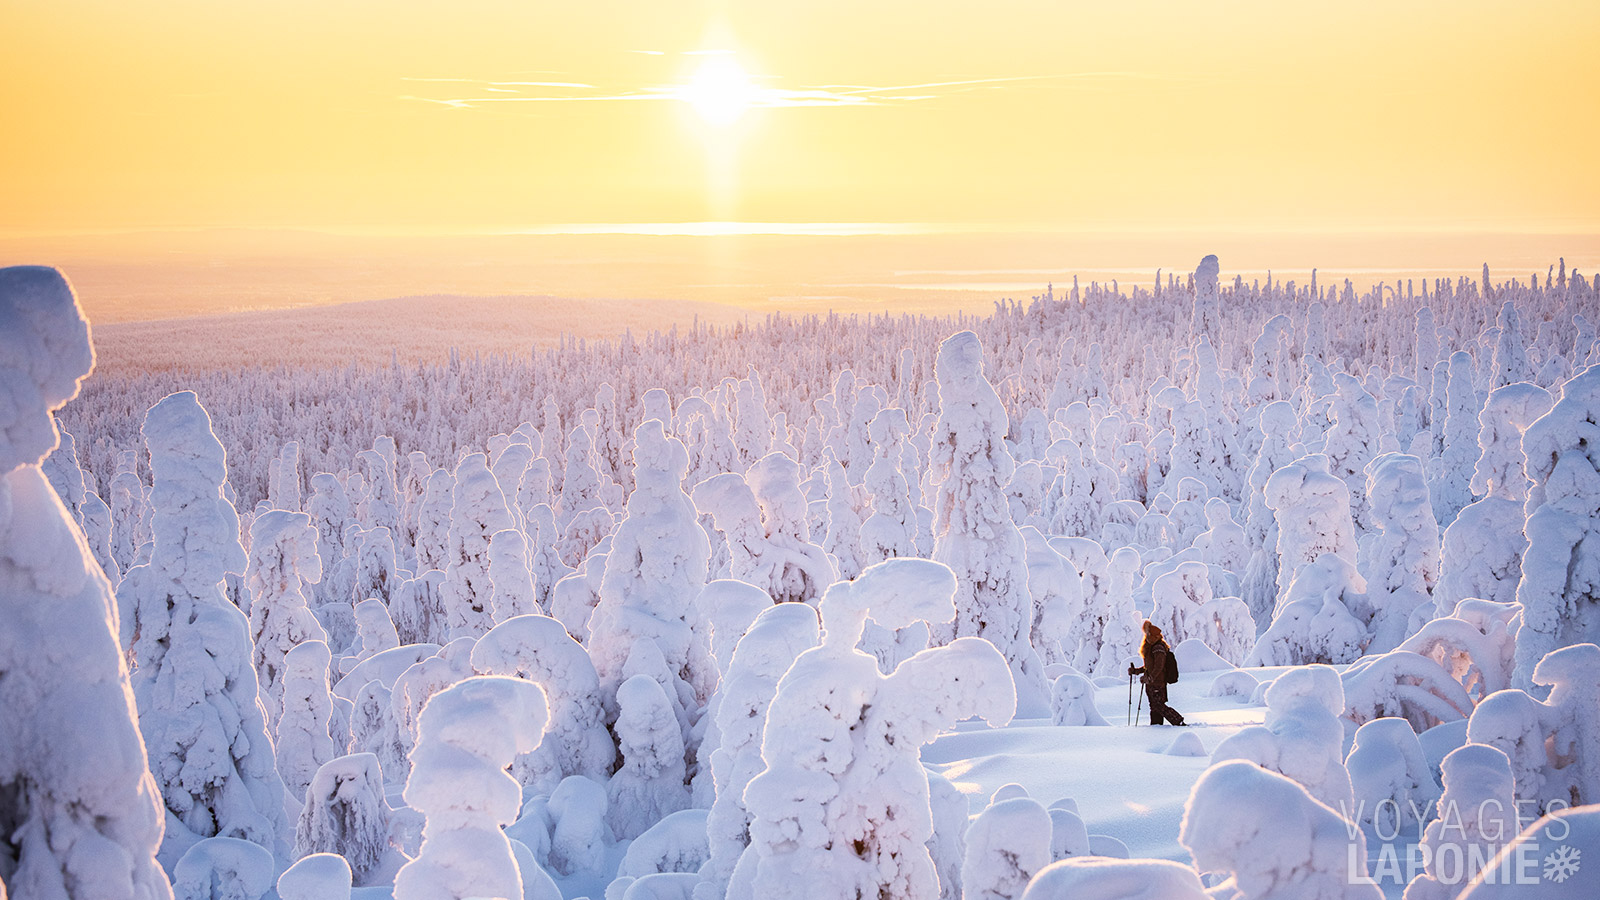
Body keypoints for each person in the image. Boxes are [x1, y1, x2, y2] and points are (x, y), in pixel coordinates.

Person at [1128, 620, 1186, 726]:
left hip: (1157, 683)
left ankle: (1178, 721)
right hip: (1153, 682)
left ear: (1153, 636)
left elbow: (1159, 666)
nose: (1146, 637)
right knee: (1155, 706)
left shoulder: (1158, 648)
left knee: (1158, 706)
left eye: (1148, 634)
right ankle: (1156, 726)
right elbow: (1148, 667)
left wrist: (1150, 678)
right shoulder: (1153, 648)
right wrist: (1136, 671)